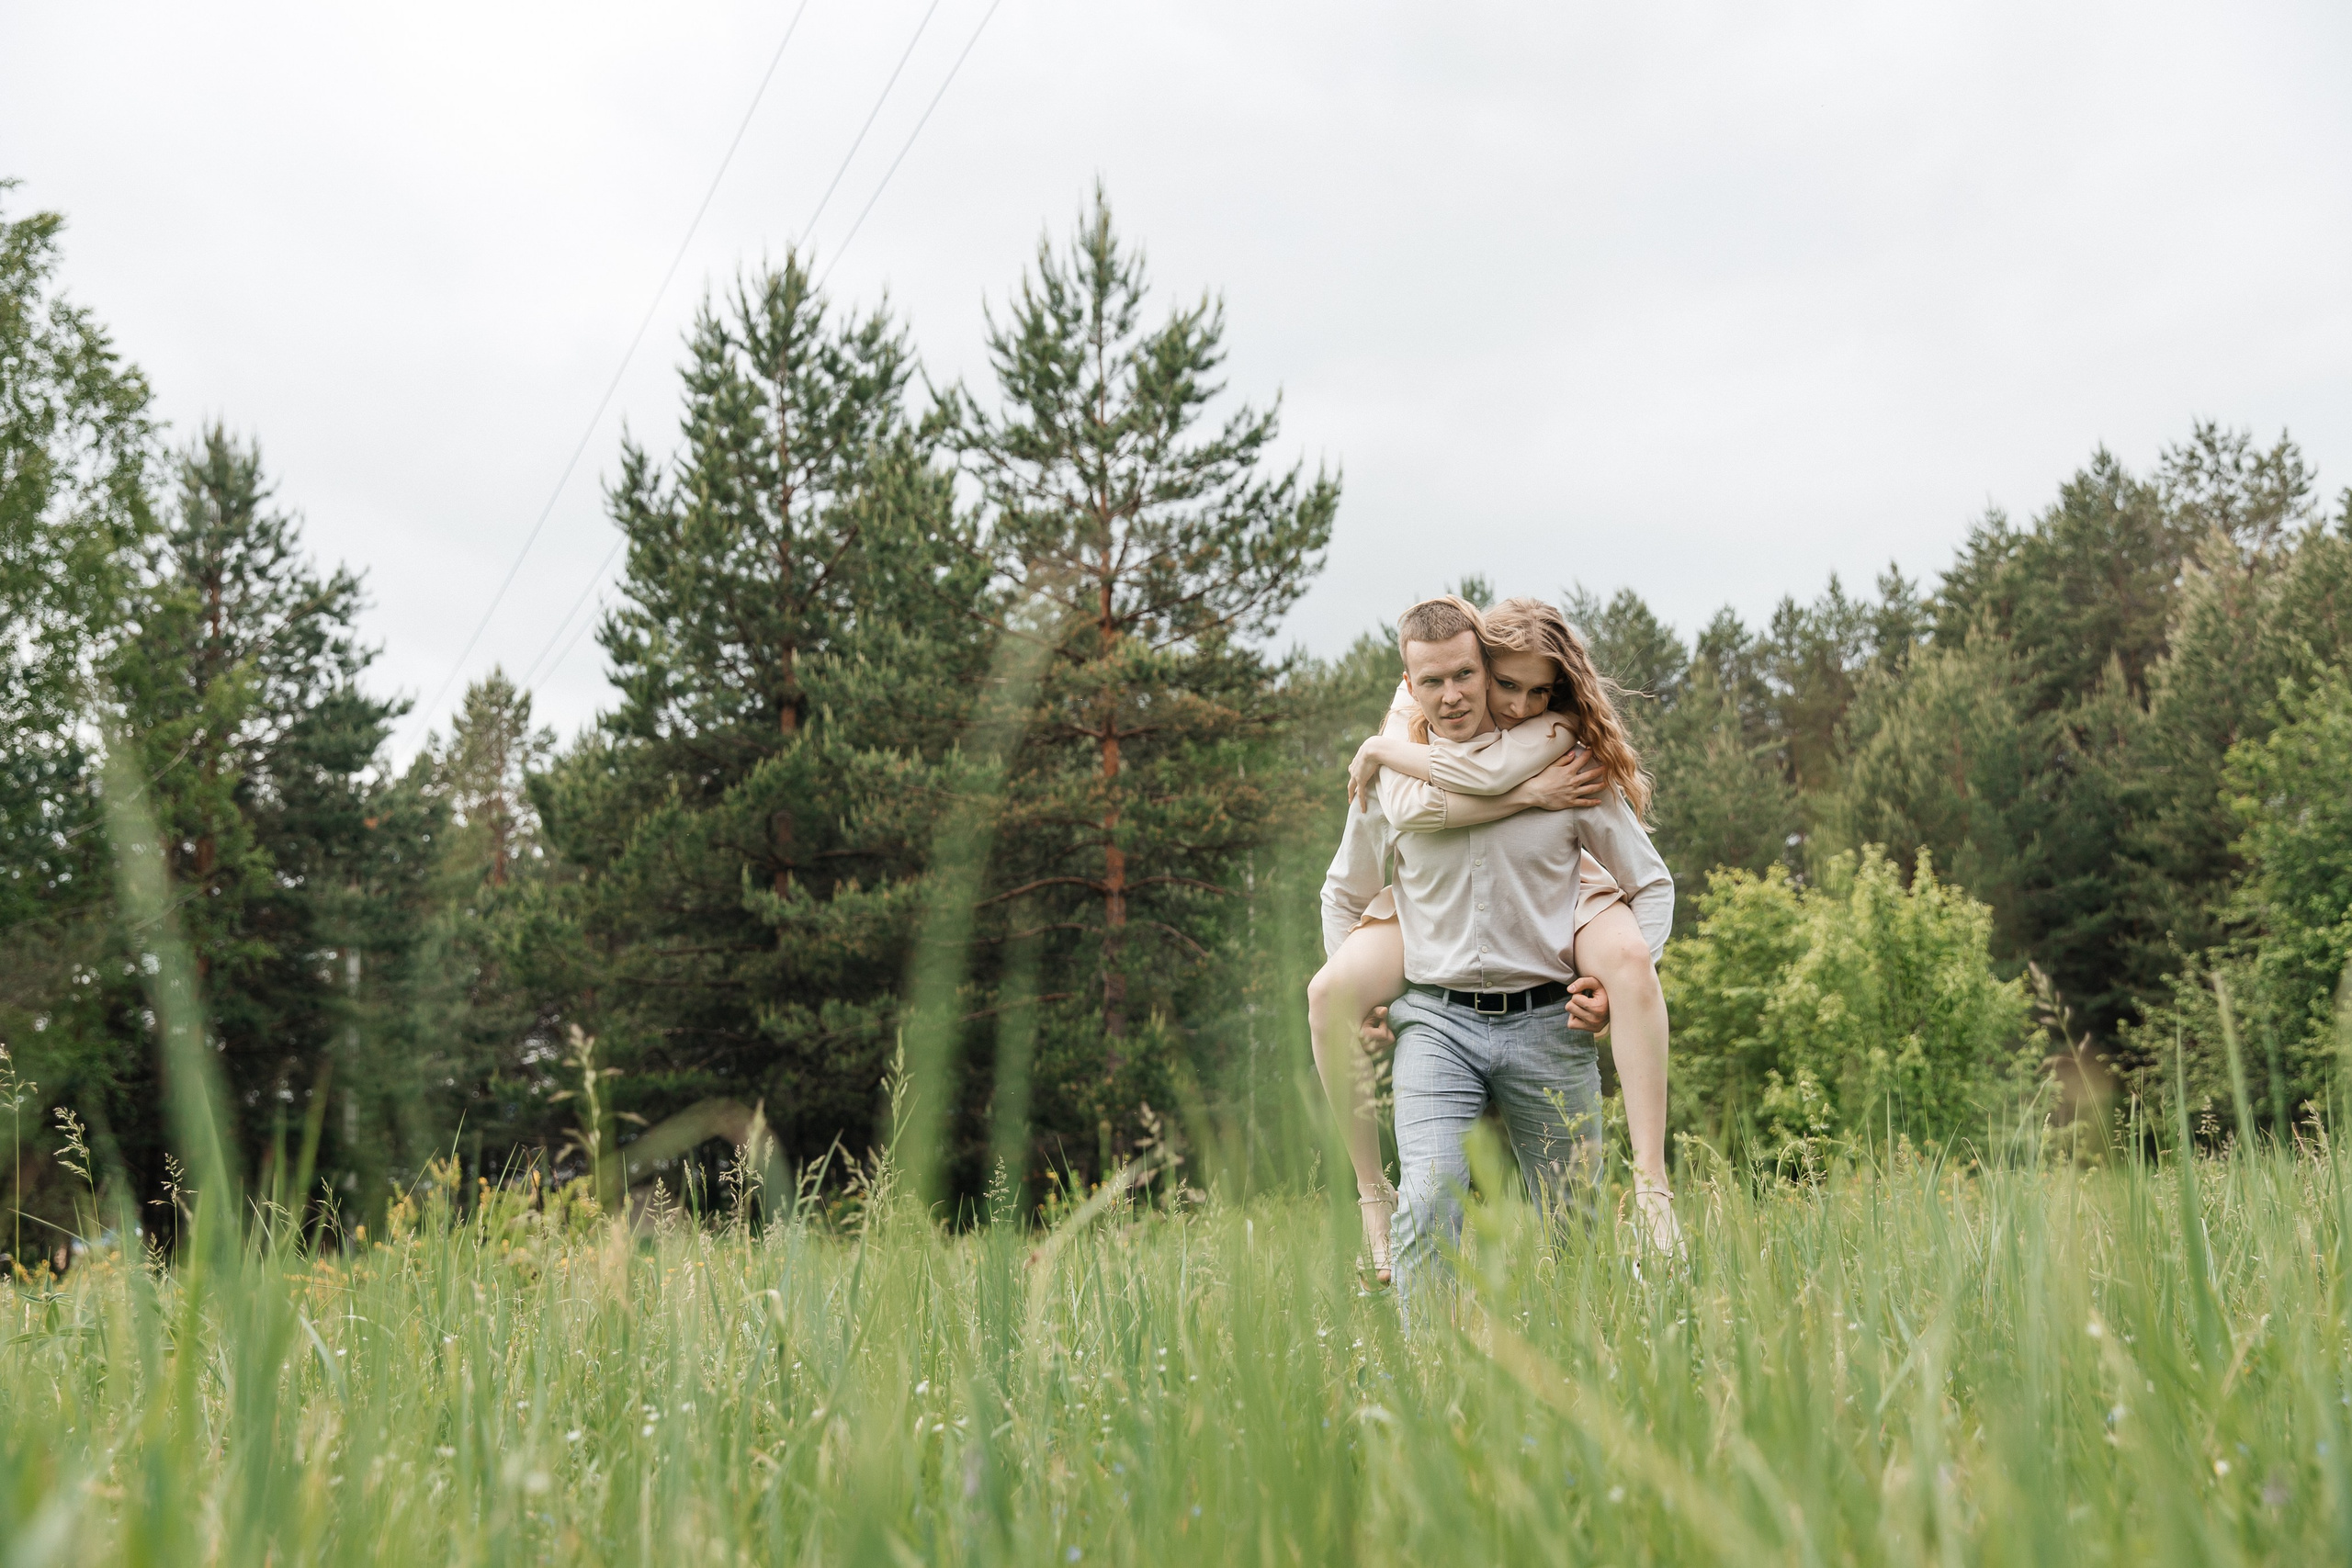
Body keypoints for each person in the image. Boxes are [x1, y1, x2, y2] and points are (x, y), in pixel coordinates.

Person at [1314, 595, 1678, 1297]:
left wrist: (1625, 986)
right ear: (1409, 684)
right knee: (1428, 1199)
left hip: (1548, 1021)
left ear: (1483, 668)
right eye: (1431, 682)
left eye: (1466, 677)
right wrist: (1360, 1004)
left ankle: (1585, 1372)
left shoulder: (1570, 767)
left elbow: (1650, 882)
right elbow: (1344, 892)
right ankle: (1422, 1384)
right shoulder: (1394, 783)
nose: (1453, 696)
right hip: (1436, 1022)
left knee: (1576, 1231)